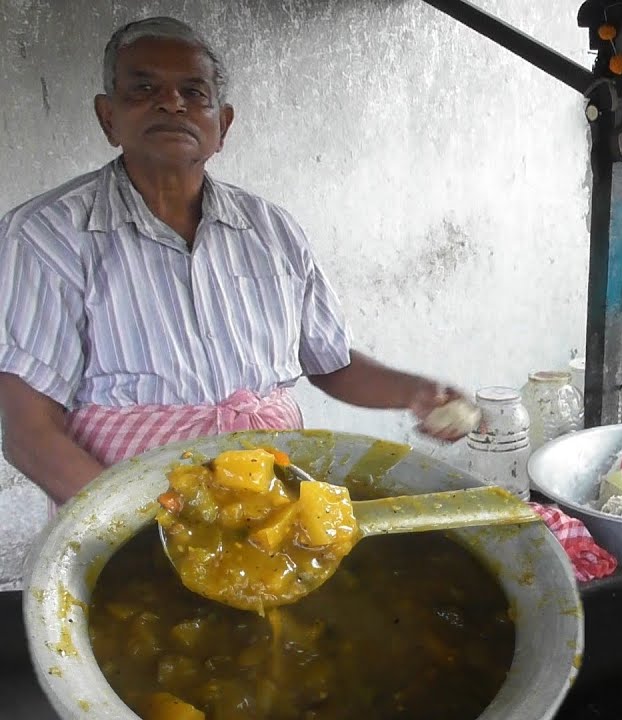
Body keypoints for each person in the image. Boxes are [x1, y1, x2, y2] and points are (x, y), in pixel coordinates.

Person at [0, 17, 470, 507]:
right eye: (143, 88)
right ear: (108, 117)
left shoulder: (270, 229)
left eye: (193, 91)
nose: (171, 103)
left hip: (273, 502)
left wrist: (416, 393)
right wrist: (138, 523)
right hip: (126, 516)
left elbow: (332, 363)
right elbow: (31, 434)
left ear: (222, 125)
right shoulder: (45, 236)